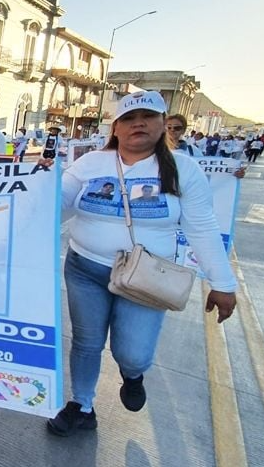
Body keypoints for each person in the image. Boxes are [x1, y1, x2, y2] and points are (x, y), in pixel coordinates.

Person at [47, 90, 237, 437]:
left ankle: (132, 376)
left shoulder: (183, 169)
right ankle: (82, 405)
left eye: (147, 117)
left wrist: (223, 283)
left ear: (163, 125)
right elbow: (55, 204)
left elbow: (203, 227)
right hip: (85, 269)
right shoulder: (90, 164)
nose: (138, 124)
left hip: (147, 278)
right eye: (129, 119)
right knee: (86, 342)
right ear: (116, 128)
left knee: (132, 352)